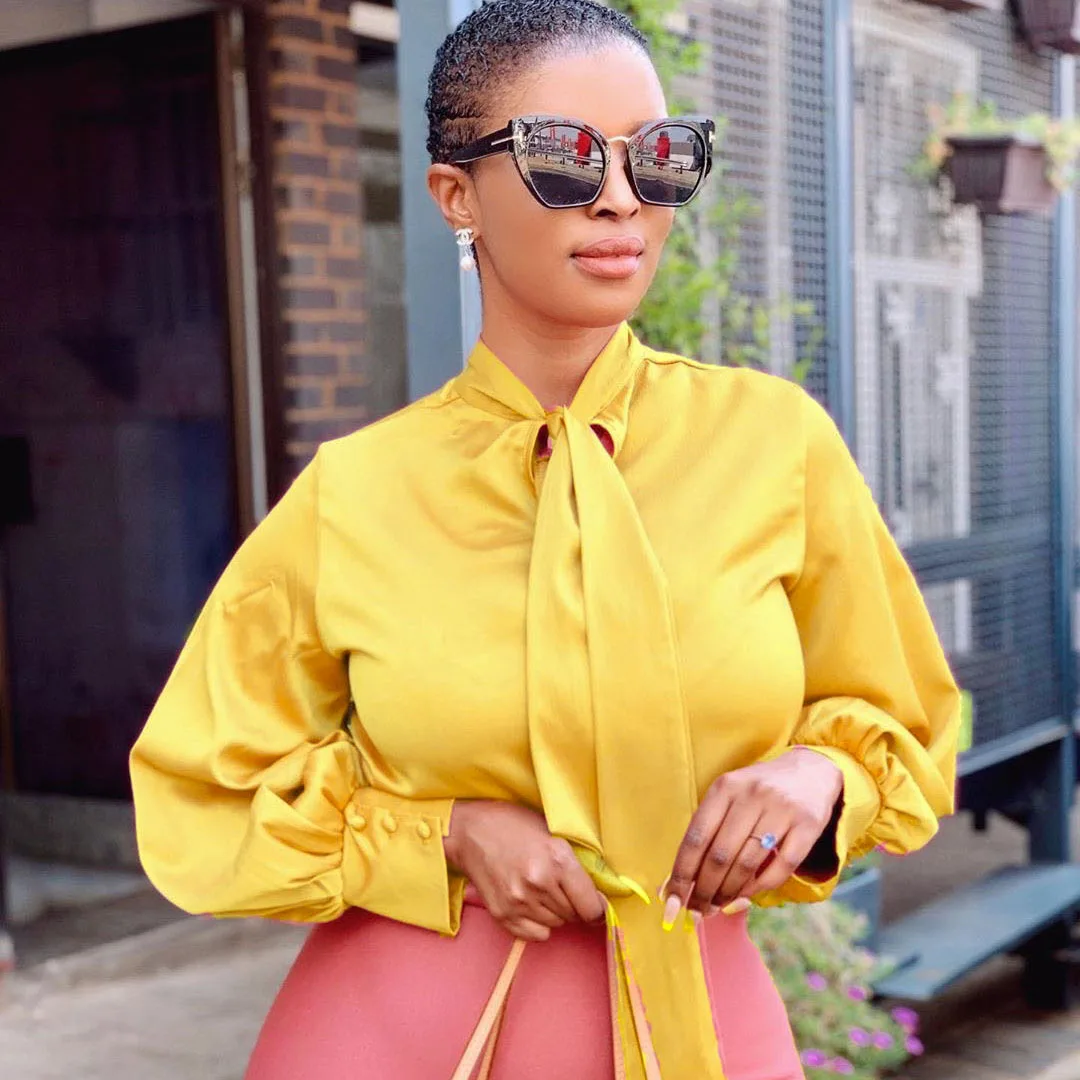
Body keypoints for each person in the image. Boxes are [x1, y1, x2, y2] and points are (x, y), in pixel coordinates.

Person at [129, 2, 960, 1078]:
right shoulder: (354, 496)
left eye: (658, 156)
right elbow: (204, 786)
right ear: (456, 195)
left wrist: (821, 777)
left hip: (703, 1016)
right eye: (563, 156)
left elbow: (905, 721)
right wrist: (441, 836)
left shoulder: (774, 445)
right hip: (401, 1034)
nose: (621, 196)